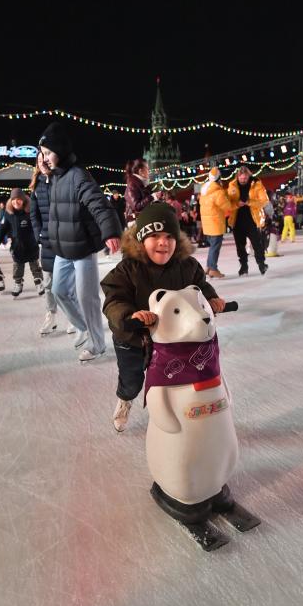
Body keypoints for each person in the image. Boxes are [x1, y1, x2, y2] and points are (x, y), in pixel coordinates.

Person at [101, 202, 226, 432]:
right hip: (133, 339)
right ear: (140, 239)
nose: (163, 242)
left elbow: (199, 287)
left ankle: (180, 408)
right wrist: (131, 315)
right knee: (132, 381)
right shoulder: (128, 269)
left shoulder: (186, 266)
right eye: (155, 235)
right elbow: (114, 300)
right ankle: (125, 399)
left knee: (178, 376)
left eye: (170, 236)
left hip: (171, 339)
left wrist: (211, 299)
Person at [39, 122, 122, 361]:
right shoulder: (54, 177)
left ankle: (97, 344)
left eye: (48, 153)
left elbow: (98, 203)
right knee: (58, 291)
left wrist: (110, 231)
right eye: (42, 154)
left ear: (61, 151)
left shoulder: (77, 175)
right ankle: (83, 326)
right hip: (62, 249)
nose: (44, 159)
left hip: (83, 247)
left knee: (87, 297)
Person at [30, 151, 66, 334]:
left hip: (64, 239)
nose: (41, 162)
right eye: (38, 160)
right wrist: (39, 234)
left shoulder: (59, 180)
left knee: (67, 282)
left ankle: (73, 318)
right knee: (48, 281)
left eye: (43, 158)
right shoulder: (36, 186)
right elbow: (33, 214)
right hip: (47, 241)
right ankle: (50, 315)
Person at [0, 188, 44, 297]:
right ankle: (18, 283)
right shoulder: (8, 213)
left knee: (35, 266)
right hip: (17, 246)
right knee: (17, 266)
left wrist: (41, 236)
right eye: (14, 199)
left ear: (24, 200)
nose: (16, 201)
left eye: (19, 199)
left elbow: (38, 224)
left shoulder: (31, 211)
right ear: (11, 201)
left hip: (31, 244)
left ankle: (39, 282)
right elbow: (3, 228)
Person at [227, 166, 269, 275]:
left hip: (253, 220)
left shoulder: (257, 184)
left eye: (245, 178)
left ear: (249, 176)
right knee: (240, 246)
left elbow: (264, 200)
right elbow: (228, 203)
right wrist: (237, 204)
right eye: (241, 179)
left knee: (257, 244)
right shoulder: (232, 185)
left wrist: (250, 202)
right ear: (237, 177)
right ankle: (244, 266)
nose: (243, 180)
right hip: (237, 220)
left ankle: (261, 264)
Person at [199, 167, 230, 278]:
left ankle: (208, 267)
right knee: (215, 247)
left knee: (213, 246)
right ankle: (213, 269)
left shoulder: (204, 190)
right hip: (216, 222)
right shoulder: (217, 191)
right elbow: (227, 206)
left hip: (208, 224)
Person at [124, 158, 153, 224]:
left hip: (143, 220)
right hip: (135, 223)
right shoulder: (132, 184)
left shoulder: (143, 184)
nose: (149, 171)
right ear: (141, 171)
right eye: (147, 168)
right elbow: (136, 206)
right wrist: (153, 197)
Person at [104, 190, 127, 256]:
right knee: (112, 235)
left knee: (122, 236)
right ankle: (107, 251)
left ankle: (123, 249)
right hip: (113, 221)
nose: (116, 195)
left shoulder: (121, 201)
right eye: (115, 194)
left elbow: (124, 209)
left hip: (121, 220)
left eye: (117, 194)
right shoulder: (110, 202)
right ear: (113, 195)